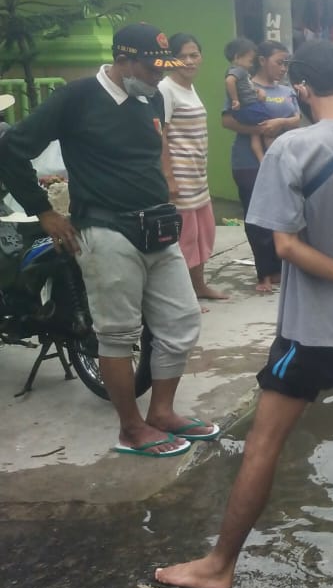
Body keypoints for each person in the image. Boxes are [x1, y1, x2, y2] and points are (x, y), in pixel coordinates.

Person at [153, 40, 333, 588]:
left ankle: (219, 566)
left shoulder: (291, 149)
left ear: (303, 88)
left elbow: (286, 247)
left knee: (264, 442)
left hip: (313, 328)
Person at [0, 23, 213, 457]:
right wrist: (44, 212)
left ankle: (163, 413)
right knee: (117, 333)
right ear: (124, 60)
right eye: (152, 67)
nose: (158, 76)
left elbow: (152, 154)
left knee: (181, 321)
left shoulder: (150, 96)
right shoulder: (76, 98)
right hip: (105, 229)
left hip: (158, 226)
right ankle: (131, 429)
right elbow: (11, 149)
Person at [222, 40, 300, 293]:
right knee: (257, 218)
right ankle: (264, 274)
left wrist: (279, 123)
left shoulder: (287, 90)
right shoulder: (245, 84)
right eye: (279, 62)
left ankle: (282, 267)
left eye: (287, 63)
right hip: (248, 161)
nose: (284, 68)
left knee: (283, 214)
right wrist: (260, 129)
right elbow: (227, 121)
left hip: (283, 160)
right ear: (262, 60)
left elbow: (296, 119)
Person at [159, 33, 228, 306]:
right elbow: (161, 134)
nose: (189, 61)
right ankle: (182, 297)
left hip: (197, 176)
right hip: (180, 177)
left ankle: (199, 286)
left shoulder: (189, 87)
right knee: (184, 239)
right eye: (182, 55)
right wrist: (169, 177)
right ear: (170, 59)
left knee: (202, 234)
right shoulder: (166, 88)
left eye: (194, 55)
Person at [224, 37, 269, 163]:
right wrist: (235, 100)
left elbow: (247, 87)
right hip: (249, 107)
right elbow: (229, 81)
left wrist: (257, 91)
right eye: (250, 59)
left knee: (254, 135)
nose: (252, 63)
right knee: (269, 125)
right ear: (238, 57)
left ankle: (261, 159)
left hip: (249, 104)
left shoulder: (242, 72)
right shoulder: (238, 70)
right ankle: (271, 153)